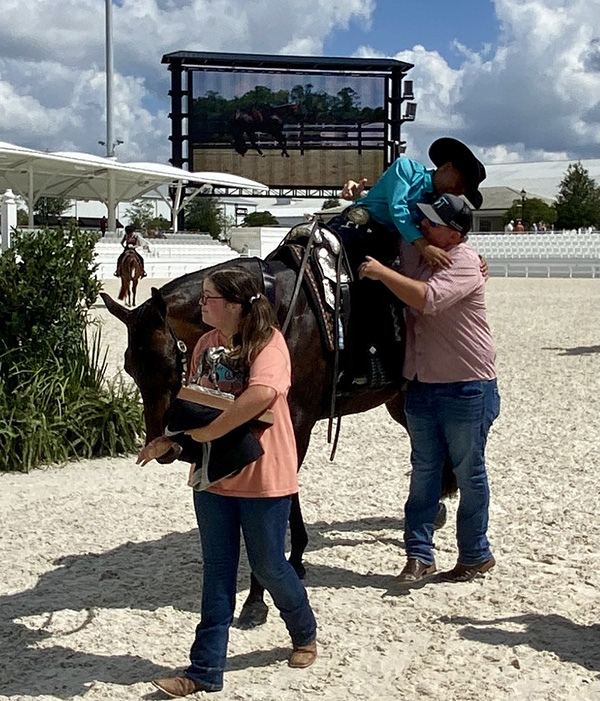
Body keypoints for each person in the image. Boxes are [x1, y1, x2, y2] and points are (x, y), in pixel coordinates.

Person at [137, 267, 317, 697]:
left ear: (235, 305)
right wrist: (172, 442)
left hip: (263, 474)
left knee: (269, 565)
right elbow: (196, 403)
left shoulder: (269, 344)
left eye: (209, 298)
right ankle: (203, 672)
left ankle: (304, 631)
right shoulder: (204, 344)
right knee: (217, 571)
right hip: (212, 475)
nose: (202, 305)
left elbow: (261, 395)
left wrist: (210, 432)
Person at [358, 193, 500, 584]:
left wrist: (382, 273)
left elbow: (429, 298)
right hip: (422, 383)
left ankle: (475, 553)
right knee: (423, 474)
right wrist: (363, 196)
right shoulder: (424, 252)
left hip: (467, 384)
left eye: (432, 223)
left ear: (455, 233)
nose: (423, 226)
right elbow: (397, 213)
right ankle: (419, 555)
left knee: (469, 474)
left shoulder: (466, 262)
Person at [333, 138, 486, 387]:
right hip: (360, 231)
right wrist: (422, 245)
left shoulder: (437, 203)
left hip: (392, 243)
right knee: (356, 285)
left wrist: (472, 257)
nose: (458, 193)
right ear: (446, 167)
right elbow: (398, 207)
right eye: (460, 185)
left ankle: (380, 357)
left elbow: (451, 233)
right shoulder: (405, 168)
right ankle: (350, 356)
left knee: (390, 292)